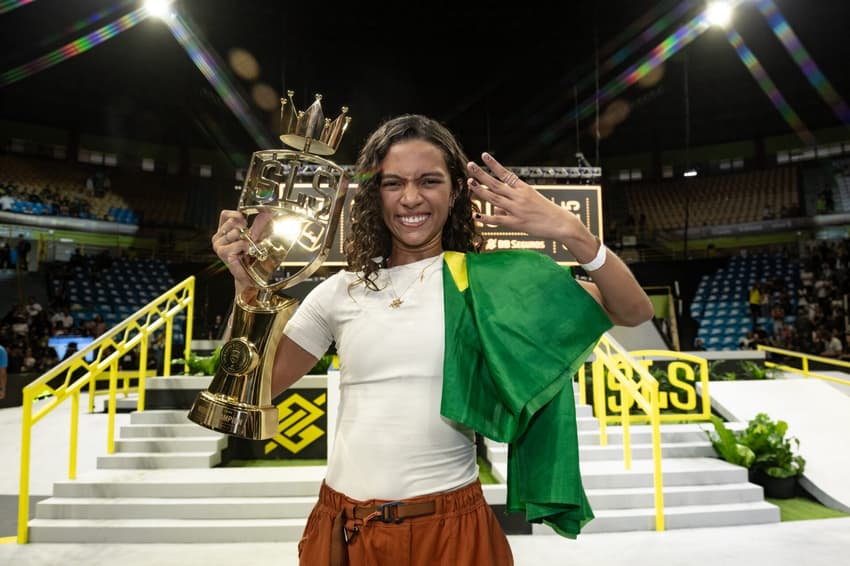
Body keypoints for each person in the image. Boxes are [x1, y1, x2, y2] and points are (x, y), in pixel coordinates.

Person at [213, 114, 653, 565]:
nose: (410, 198)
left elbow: (632, 311)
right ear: (375, 193)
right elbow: (252, 389)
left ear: (456, 190)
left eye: (429, 181)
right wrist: (248, 286)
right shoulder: (339, 291)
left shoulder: (487, 284)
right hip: (344, 531)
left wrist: (572, 231)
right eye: (393, 183)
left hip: (452, 534)